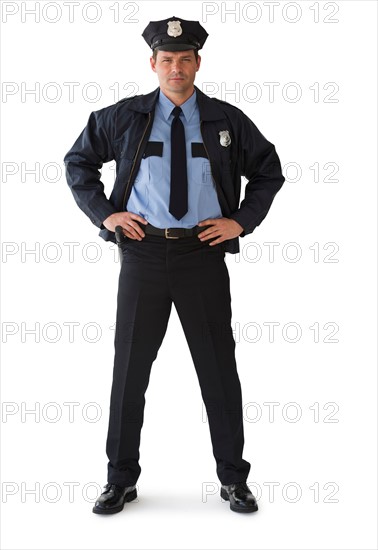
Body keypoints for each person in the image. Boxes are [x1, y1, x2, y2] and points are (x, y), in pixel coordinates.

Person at [64, 16, 285, 515]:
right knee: (130, 371)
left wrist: (241, 222)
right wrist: (108, 214)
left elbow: (269, 171)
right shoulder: (125, 116)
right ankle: (119, 479)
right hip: (142, 254)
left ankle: (234, 479)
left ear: (198, 63)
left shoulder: (226, 120)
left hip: (202, 254)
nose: (177, 68)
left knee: (218, 369)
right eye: (168, 60)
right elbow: (78, 161)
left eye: (186, 59)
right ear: (153, 64)